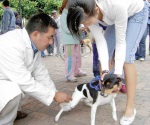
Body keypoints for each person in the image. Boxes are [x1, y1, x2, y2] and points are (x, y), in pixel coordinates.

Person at [66, 0, 148, 125]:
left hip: (136, 12)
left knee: (126, 58)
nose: (85, 26)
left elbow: (121, 43)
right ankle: (107, 92)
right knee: (105, 54)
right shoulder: (87, 10)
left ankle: (130, 108)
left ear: (96, 11)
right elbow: (100, 43)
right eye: (82, 23)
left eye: (86, 22)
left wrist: (118, 75)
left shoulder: (116, 6)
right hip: (113, 18)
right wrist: (105, 70)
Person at [0, 13, 71, 125]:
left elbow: (40, 73)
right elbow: (24, 81)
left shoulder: (32, 45)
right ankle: (5, 121)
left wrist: (55, 93)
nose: (52, 42)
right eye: (50, 37)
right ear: (36, 34)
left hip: (7, 77)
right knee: (15, 89)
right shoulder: (11, 45)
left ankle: (13, 111)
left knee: (30, 78)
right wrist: (54, 96)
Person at [59, 0, 87, 82]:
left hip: (75, 40)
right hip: (68, 41)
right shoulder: (64, 15)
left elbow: (77, 24)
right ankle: (69, 75)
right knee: (70, 58)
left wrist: (80, 38)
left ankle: (77, 71)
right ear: (66, 3)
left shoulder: (72, 13)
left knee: (77, 57)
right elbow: (67, 29)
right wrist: (79, 29)